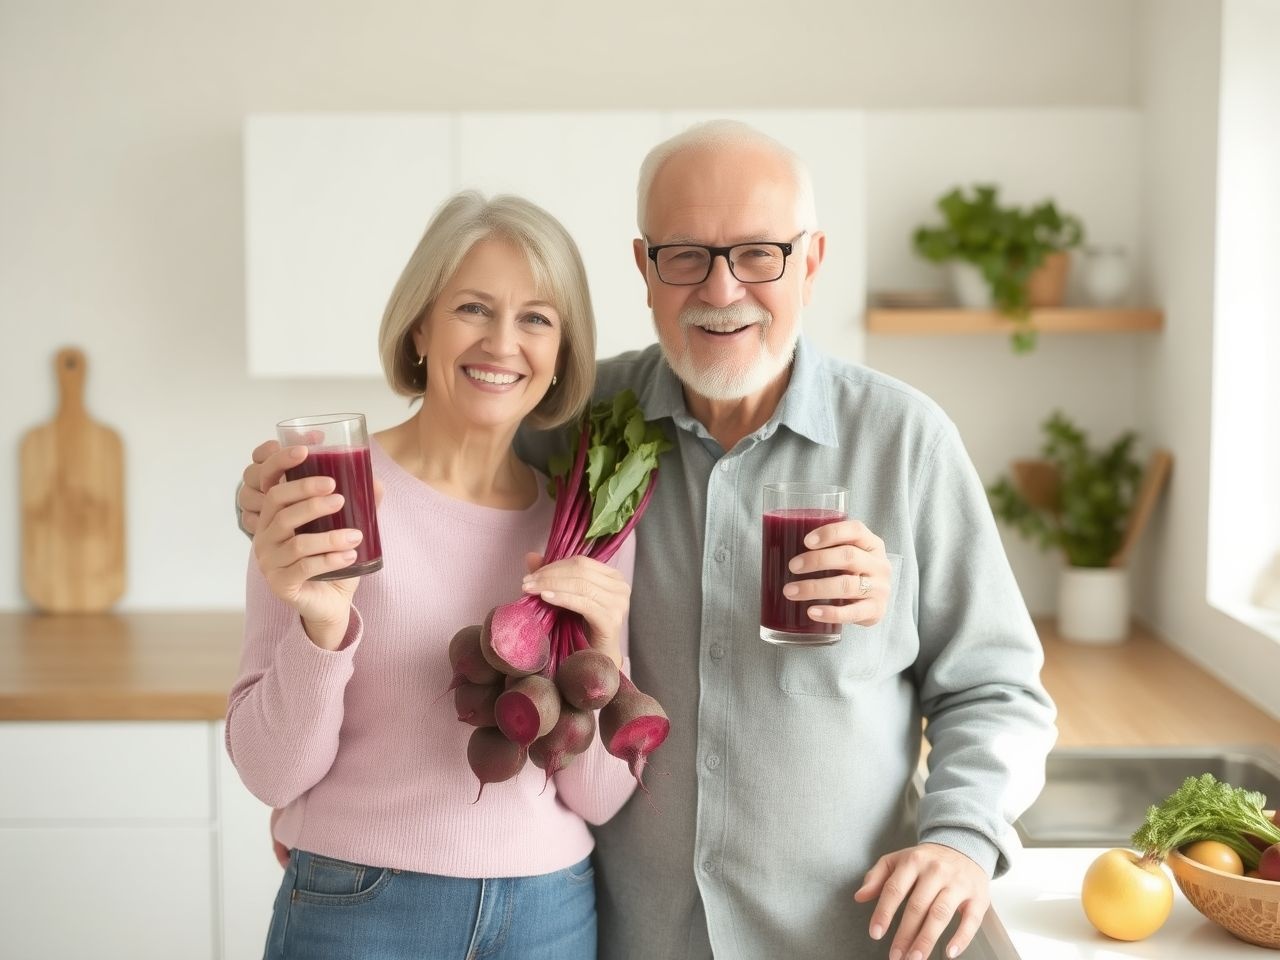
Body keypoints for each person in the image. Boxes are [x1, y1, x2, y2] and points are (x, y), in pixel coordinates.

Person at [237, 121, 1057, 960]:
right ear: (645, 269)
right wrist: (270, 502)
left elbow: (999, 688)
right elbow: (442, 484)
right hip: (630, 935)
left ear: (809, 263)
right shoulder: (578, 421)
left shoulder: (906, 442)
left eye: (760, 254)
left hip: (835, 934)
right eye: (687, 255)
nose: (723, 288)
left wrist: (962, 838)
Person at [227, 191, 641, 960]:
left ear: (560, 355)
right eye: (474, 309)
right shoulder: (328, 489)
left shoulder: (583, 528)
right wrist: (321, 629)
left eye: (537, 319)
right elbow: (270, 772)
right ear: (421, 326)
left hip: (550, 914)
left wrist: (606, 651)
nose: (502, 343)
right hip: (358, 909)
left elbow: (601, 798)